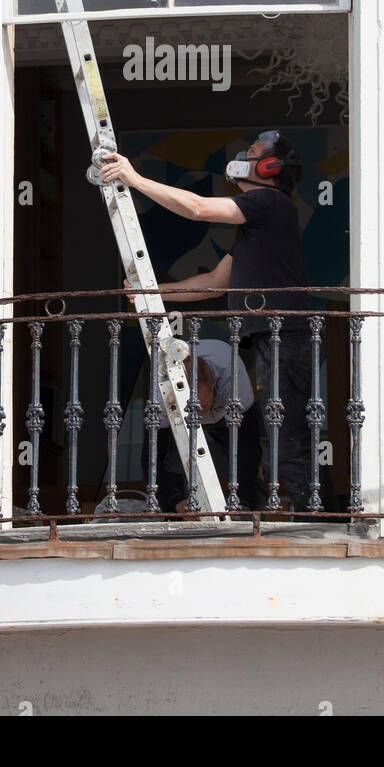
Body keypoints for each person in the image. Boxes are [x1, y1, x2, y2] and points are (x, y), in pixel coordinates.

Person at [100, 131, 339, 515]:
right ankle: (321, 514)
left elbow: (196, 208)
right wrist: (154, 291)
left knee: (290, 438)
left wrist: (134, 178)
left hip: (283, 336)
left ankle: (323, 520)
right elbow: (213, 283)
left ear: (270, 168)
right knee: (287, 434)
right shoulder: (258, 223)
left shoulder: (268, 201)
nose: (245, 155)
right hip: (274, 337)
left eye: (255, 153)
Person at [143, 337, 262, 512]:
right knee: (172, 460)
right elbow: (152, 458)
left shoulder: (233, 376)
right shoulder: (161, 396)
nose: (198, 414)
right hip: (177, 417)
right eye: (192, 409)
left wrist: (240, 502)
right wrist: (176, 501)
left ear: (213, 381)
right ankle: (178, 513)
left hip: (224, 413)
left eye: (201, 406)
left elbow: (248, 447)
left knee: (247, 463)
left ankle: (250, 511)